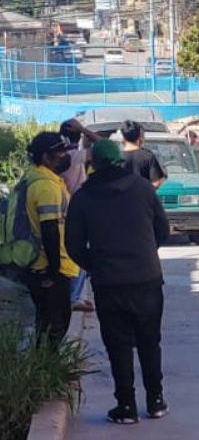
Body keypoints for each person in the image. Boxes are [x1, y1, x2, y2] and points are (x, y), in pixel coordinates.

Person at [66, 138, 170, 424]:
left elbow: (73, 245)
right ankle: (156, 401)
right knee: (150, 341)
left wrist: (96, 265)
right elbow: (163, 229)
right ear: (120, 161)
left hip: (109, 283)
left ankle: (125, 405)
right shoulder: (143, 189)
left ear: (93, 164)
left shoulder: (83, 198)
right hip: (146, 278)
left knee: (118, 344)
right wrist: (145, 254)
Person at [11, 132, 79, 346]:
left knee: (46, 323)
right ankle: (46, 372)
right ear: (45, 157)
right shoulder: (46, 186)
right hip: (49, 266)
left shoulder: (35, 179)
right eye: (59, 152)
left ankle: (43, 369)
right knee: (55, 325)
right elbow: (49, 229)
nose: (64, 156)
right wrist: (54, 270)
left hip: (39, 265)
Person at [60, 117, 99, 312]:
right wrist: (84, 129)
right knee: (79, 251)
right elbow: (104, 147)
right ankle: (75, 296)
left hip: (61, 209)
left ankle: (76, 295)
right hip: (76, 209)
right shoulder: (74, 156)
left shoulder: (59, 157)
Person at [120, 120, 167, 189]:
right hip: (142, 199)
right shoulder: (148, 156)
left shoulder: (116, 158)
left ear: (123, 138)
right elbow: (155, 183)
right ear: (140, 137)